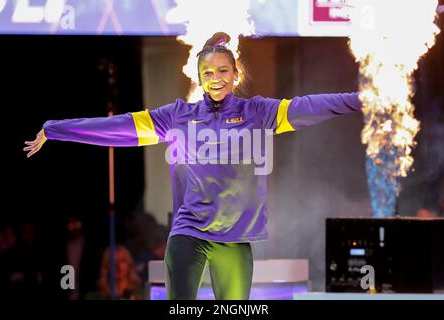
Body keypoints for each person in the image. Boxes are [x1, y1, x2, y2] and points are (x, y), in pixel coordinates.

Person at [24, 32, 362, 300]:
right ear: (199, 77)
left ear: (236, 73)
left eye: (222, 71)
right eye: (207, 73)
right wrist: (55, 129)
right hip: (189, 234)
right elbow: (118, 127)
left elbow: (310, 106)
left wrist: (359, 100)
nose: (215, 78)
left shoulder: (258, 112)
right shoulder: (177, 116)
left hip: (235, 239)